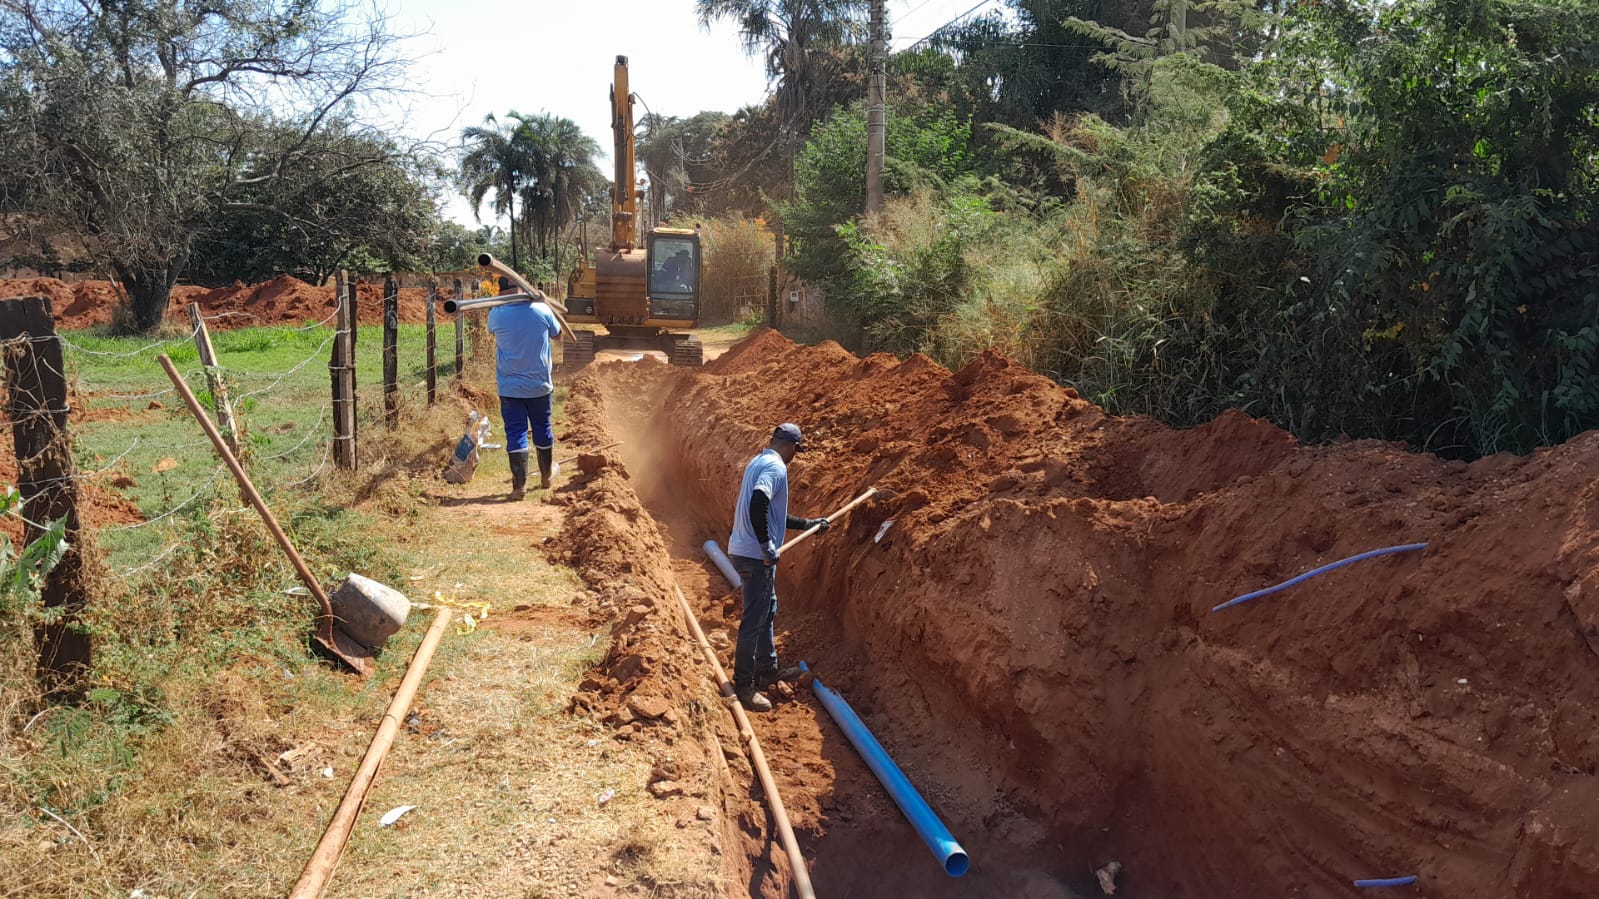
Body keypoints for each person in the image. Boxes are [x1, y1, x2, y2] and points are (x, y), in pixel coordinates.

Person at [725, 422, 831, 712]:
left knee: (767, 608)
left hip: (743, 550)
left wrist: (807, 524)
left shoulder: (758, 461)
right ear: (792, 447)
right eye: (797, 451)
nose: (795, 457)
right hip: (754, 556)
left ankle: (768, 669)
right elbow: (759, 501)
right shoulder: (776, 468)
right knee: (754, 619)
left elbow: (771, 513)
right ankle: (744, 685)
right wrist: (765, 546)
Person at [486, 276, 562, 499]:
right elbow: (558, 335)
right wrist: (545, 303)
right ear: (523, 287)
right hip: (539, 385)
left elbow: (492, 333)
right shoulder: (541, 310)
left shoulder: (496, 314)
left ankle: (519, 487)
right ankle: (546, 476)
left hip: (509, 387)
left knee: (515, 432)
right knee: (542, 427)